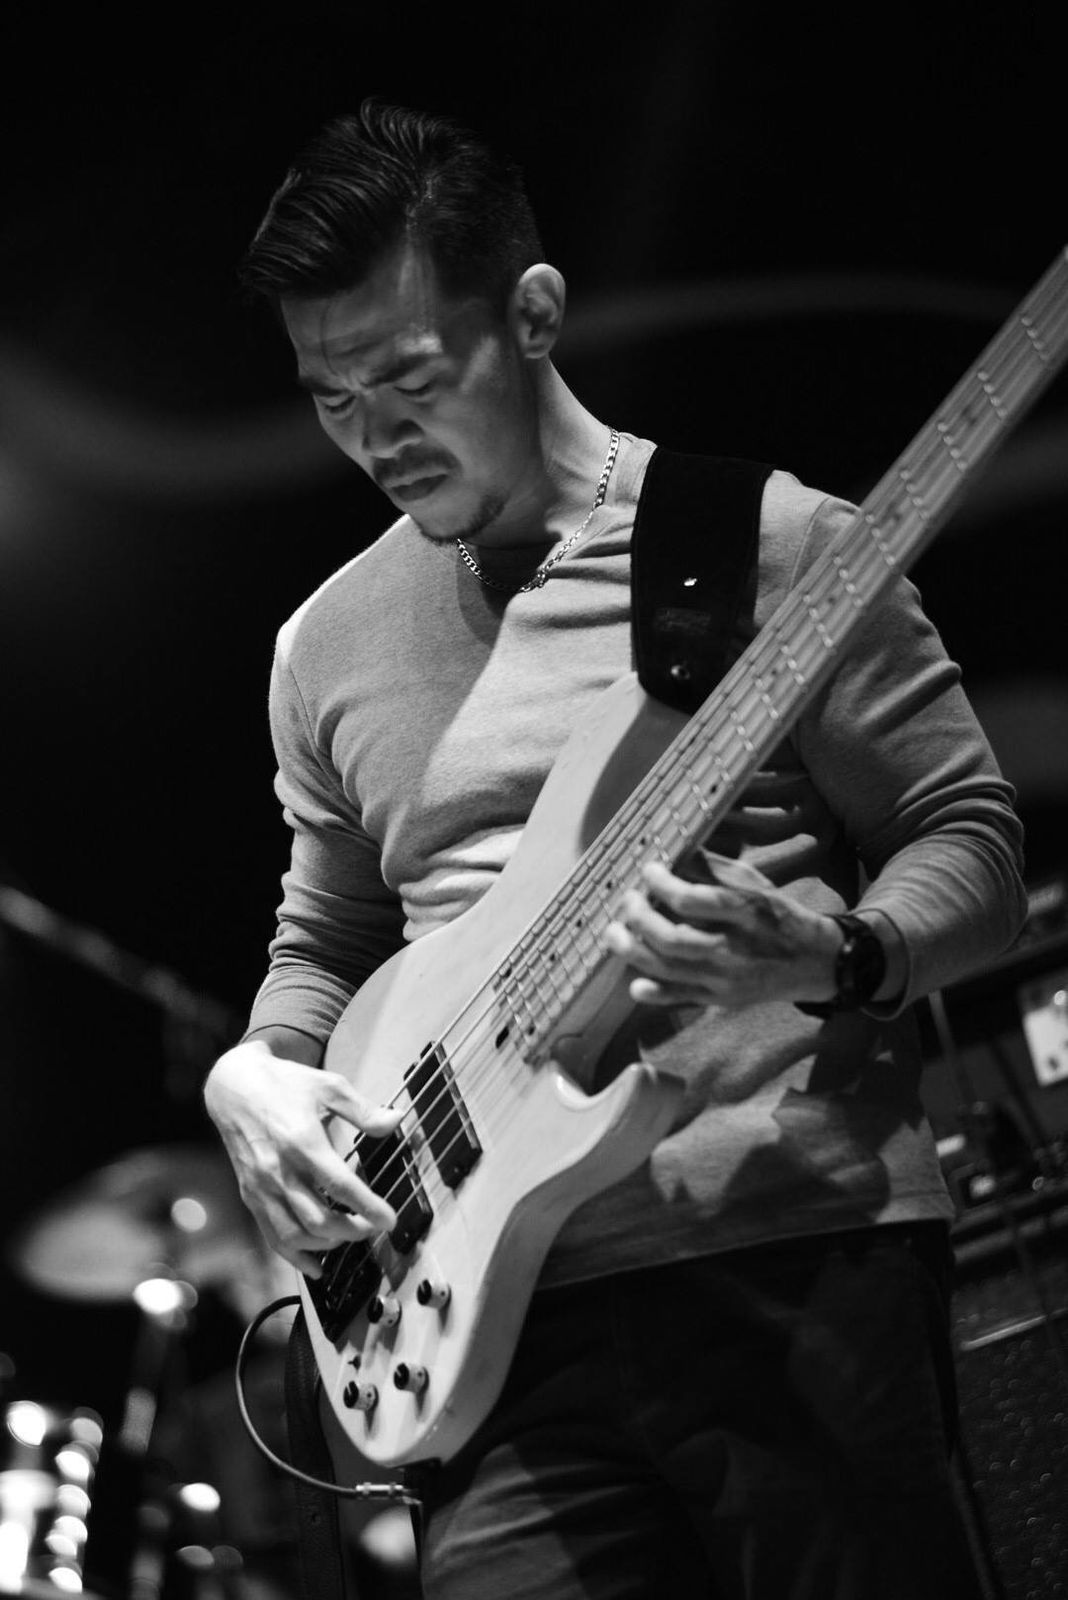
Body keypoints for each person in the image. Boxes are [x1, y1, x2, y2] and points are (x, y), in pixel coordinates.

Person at [204, 98, 1027, 1599]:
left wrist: (840, 952)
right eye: (332, 399)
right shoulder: (322, 645)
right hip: (479, 1334)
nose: (376, 437)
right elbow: (325, 942)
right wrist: (254, 1071)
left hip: (789, 1258)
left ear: (532, 314)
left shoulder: (774, 543)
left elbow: (963, 836)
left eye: (409, 379)